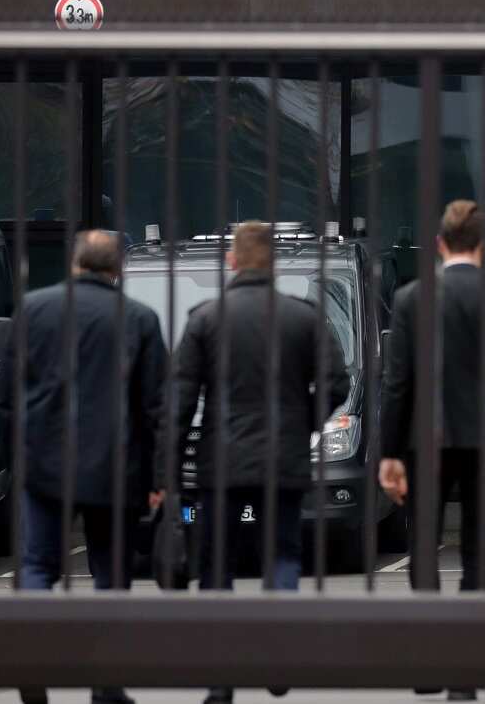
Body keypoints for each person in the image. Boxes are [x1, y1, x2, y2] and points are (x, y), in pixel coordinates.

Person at [171, 221, 350, 704]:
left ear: (232, 260)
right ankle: (278, 655)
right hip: (283, 461)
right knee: (283, 557)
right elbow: (337, 384)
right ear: (272, 263)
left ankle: (220, 679)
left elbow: (182, 401)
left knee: (216, 567)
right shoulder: (303, 318)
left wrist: (168, 468)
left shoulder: (206, 318)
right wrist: (304, 425)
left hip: (221, 464)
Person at [378, 199, 485, 703]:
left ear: (438, 244)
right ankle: (464, 673)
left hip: (425, 442)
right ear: (481, 244)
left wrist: (389, 452)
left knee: (423, 551)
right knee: (476, 554)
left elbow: (398, 383)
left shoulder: (411, 299)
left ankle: (431, 661)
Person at [0, 229, 167, 704]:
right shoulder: (139, 319)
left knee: (35, 566)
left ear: (74, 263)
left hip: (44, 462)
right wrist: (157, 478)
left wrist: (17, 460)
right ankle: (106, 684)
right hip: (115, 466)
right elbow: (156, 409)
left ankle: (32, 660)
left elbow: (6, 398)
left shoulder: (33, 310)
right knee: (111, 575)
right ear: (118, 269)